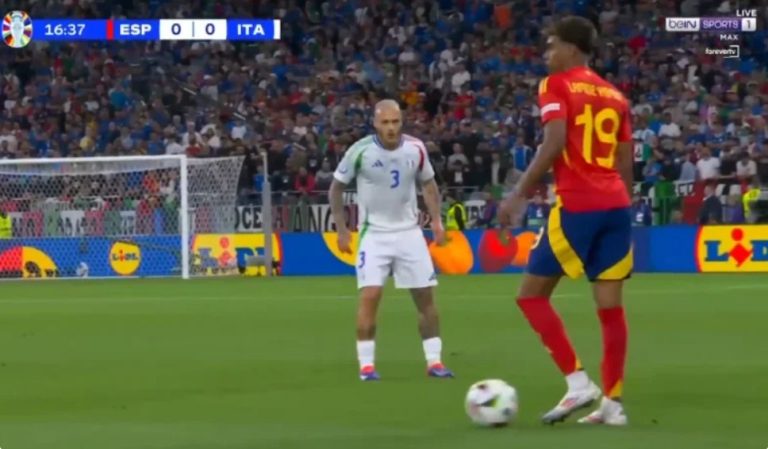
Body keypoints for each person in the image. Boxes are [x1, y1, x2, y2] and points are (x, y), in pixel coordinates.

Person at [499, 16, 633, 426]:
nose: (547, 53)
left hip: (579, 205)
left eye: (552, 45)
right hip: (616, 205)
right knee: (610, 308)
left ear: (572, 49)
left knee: (531, 295)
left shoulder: (555, 85)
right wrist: (621, 203)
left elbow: (554, 141)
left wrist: (518, 193)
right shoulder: (615, 96)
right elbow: (625, 162)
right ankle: (613, 404)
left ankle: (578, 383)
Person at [329, 99, 454, 381]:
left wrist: (436, 221)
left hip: (410, 233)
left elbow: (428, 184)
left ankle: (434, 362)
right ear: (375, 123)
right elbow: (336, 188)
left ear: (402, 122)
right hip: (374, 235)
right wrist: (341, 228)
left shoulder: (416, 148)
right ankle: (367, 366)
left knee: (425, 298)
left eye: (395, 122)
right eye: (385, 122)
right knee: (371, 295)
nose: (391, 128)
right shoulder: (360, 151)